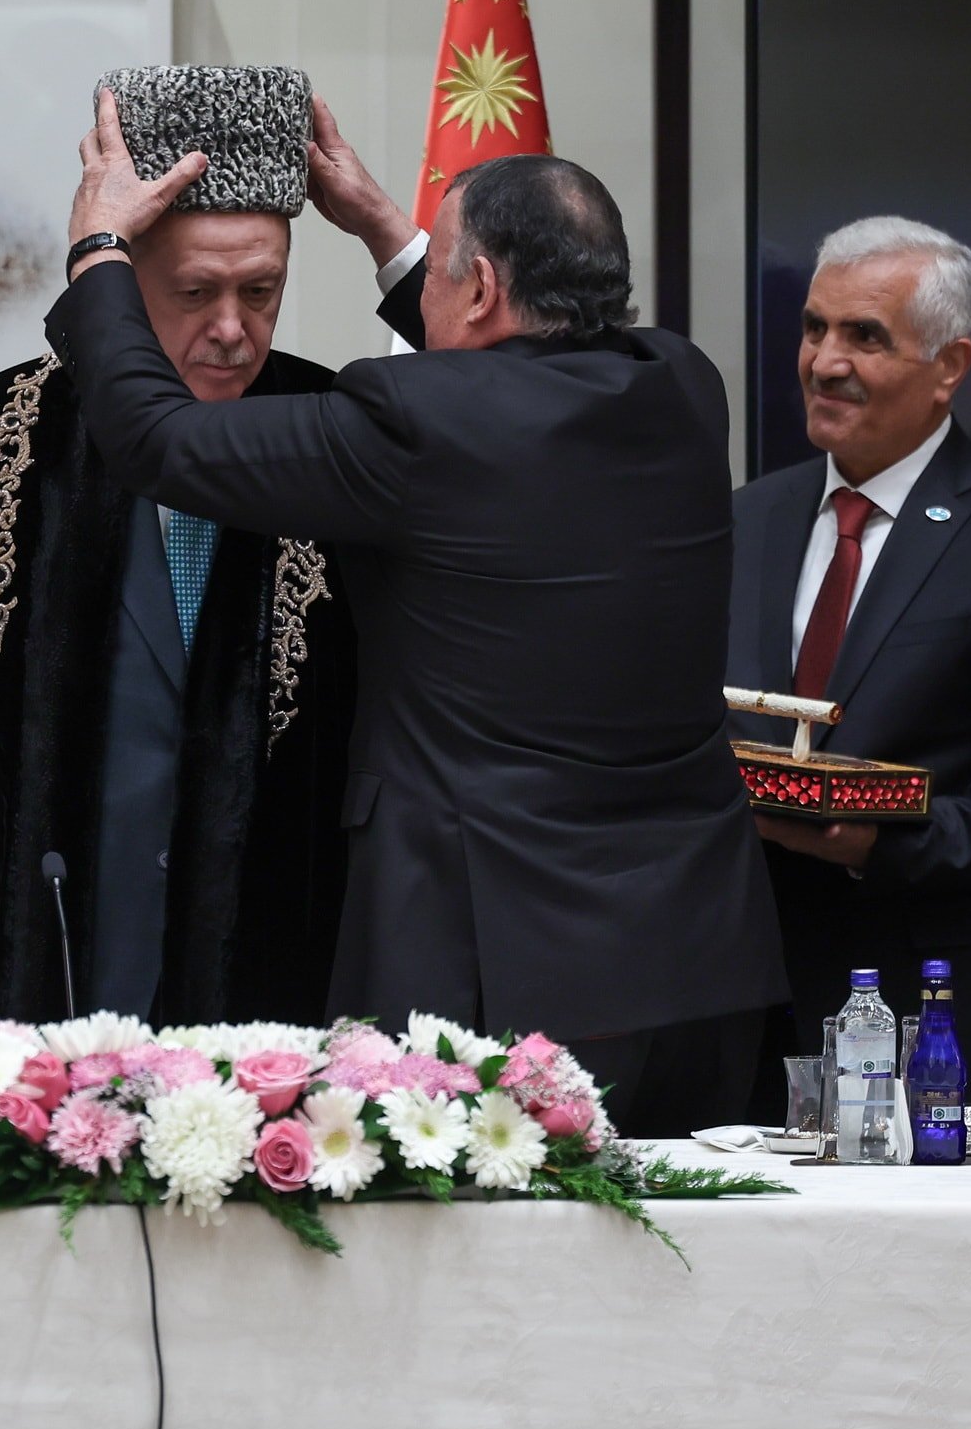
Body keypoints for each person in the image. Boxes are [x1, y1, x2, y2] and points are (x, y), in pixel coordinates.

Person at [45, 89, 783, 1137]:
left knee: (476, 1247)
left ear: (478, 288)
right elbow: (500, 377)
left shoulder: (410, 426)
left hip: (497, 982)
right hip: (697, 964)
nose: (424, 280)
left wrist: (101, 251)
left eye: (439, 269)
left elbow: (158, 441)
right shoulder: (682, 388)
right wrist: (384, 228)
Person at [0, 72, 354, 1026]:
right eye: (195, 293)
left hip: (273, 987)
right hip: (51, 971)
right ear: (120, 284)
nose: (232, 330)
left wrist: (382, 232)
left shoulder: (330, 427)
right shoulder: (5, 436)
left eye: (261, 292)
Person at [727, 219, 971, 1115]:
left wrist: (885, 844)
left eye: (865, 336)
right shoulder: (749, 519)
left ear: (951, 366)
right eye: (815, 328)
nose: (824, 362)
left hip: (936, 1008)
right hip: (752, 999)